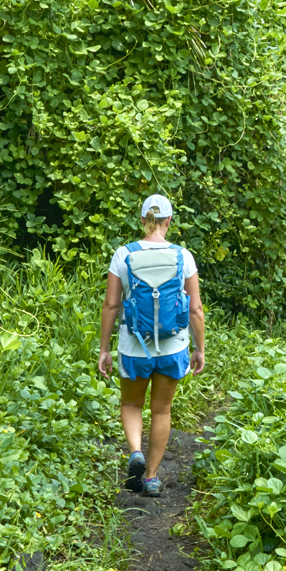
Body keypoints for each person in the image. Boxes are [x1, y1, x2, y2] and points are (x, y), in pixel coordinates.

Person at [98, 194, 206, 496]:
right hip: (172, 348)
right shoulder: (183, 256)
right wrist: (200, 349)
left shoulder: (124, 254)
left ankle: (135, 451)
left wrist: (105, 349)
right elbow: (196, 310)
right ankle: (151, 478)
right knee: (161, 410)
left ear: (143, 220)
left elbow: (110, 305)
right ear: (169, 221)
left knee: (131, 404)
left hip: (134, 347)